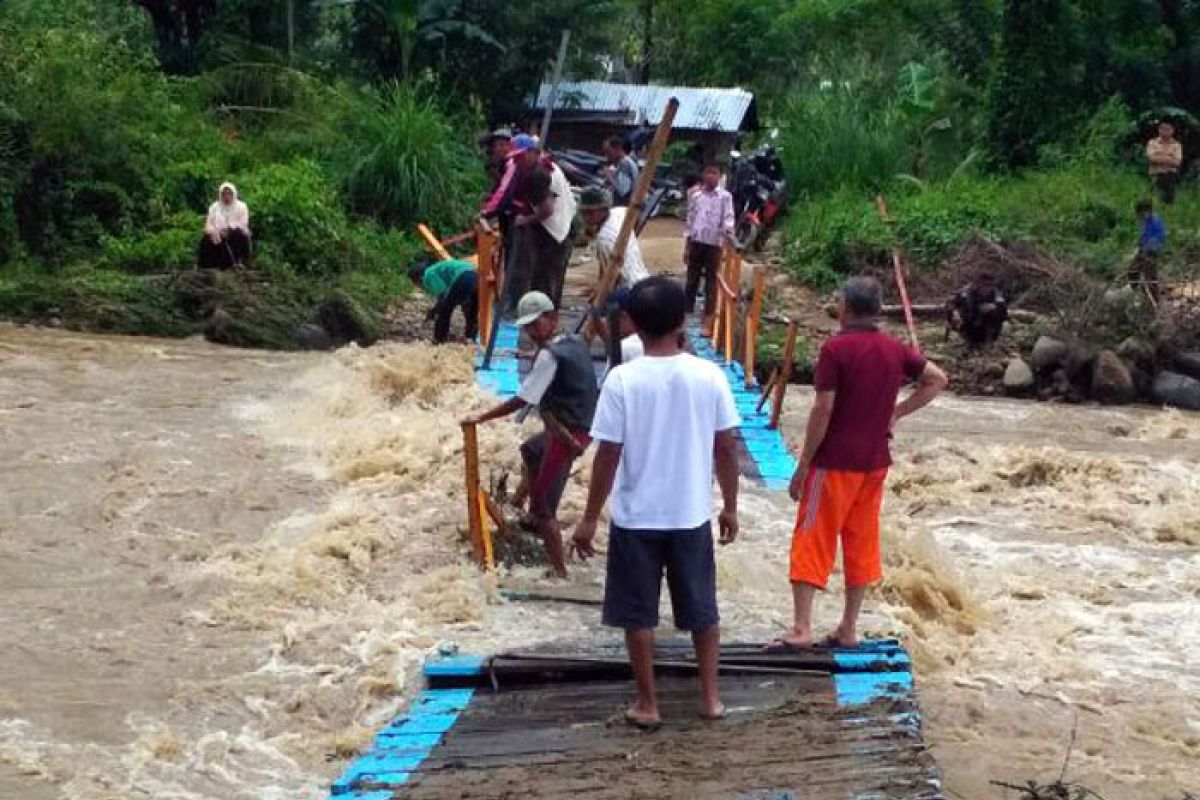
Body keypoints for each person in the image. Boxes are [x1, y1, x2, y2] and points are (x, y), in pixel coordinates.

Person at [572, 276, 741, 728]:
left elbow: (608, 454)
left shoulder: (622, 380)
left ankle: (648, 704)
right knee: (703, 610)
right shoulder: (709, 375)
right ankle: (711, 699)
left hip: (636, 517)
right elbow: (726, 446)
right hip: (690, 514)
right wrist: (730, 505)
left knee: (637, 613)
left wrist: (589, 518)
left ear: (632, 324)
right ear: (682, 322)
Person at [770, 277, 947, 651]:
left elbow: (823, 408)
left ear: (845, 308)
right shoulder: (894, 349)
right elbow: (936, 379)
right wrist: (896, 414)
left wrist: (803, 464)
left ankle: (801, 627)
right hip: (875, 463)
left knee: (811, 537)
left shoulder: (836, 350)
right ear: (878, 310)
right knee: (861, 541)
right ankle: (848, 627)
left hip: (833, 462)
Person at [462, 292, 598, 579]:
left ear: (552, 319)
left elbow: (523, 399)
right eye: (527, 327)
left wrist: (483, 417)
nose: (531, 332)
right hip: (584, 423)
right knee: (531, 450)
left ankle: (560, 570)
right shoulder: (573, 341)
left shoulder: (549, 355)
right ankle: (520, 505)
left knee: (546, 508)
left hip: (568, 434)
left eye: (536, 324)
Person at [684, 164, 735, 336]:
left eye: (714, 173)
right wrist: (687, 244)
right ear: (703, 174)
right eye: (707, 172)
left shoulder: (725, 197)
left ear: (720, 176)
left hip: (714, 243)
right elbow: (690, 219)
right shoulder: (696, 195)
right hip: (697, 241)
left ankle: (708, 320)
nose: (710, 176)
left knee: (711, 282)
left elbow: (729, 217)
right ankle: (685, 314)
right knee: (692, 278)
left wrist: (727, 232)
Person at [578, 187, 651, 294]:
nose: (586, 218)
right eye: (583, 213)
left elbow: (614, 277)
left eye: (590, 212)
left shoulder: (604, 238)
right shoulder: (618, 212)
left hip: (629, 288)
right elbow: (636, 216)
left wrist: (599, 293)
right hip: (643, 279)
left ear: (604, 210)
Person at [409, 257, 478, 344]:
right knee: (471, 309)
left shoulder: (428, 274)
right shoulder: (439, 269)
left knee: (445, 309)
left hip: (464, 275)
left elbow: (443, 296)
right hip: (477, 274)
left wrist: (434, 311)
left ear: (418, 279)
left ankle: (439, 338)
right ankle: (471, 337)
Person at [946, 271, 1008, 347]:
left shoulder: (997, 296)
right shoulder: (966, 292)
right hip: (968, 322)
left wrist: (994, 308)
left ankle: (988, 342)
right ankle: (966, 339)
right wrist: (955, 312)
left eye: (989, 285)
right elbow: (950, 302)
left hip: (985, 327)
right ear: (977, 284)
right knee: (954, 312)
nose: (985, 288)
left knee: (996, 314)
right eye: (983, 285)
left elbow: (1004, 314)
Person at [199, 182, 251, 269]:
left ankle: (239, 261)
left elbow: (243, 223)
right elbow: (208, 224)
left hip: (236, 232)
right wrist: (213, 231)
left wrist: (229, 229)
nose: (227, 196)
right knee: (206, 239)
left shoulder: (242, 206)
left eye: (229, 193)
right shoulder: (214, 207)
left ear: (234, 194)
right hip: (218, 233)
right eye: (224, 194)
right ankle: (209, 266)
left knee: (238, 234)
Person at [1130, 199, 1167, 303]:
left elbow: (1160, 238)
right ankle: (1138, 295)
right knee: (1132, 272)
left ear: (1148, 211)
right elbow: (1143, 235)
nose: (1141, 218)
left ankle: (1154, 302)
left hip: (1152, 253)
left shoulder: (1157, 222)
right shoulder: (1145, 221)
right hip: (1143, 251)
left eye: (1142, 215)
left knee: (1150, 278)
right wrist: (1139, 243)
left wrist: (1148, 247)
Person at [1146, 121, 1183, 205]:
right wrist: (1169, 158)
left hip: (1170, 176)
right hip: (1156, 174)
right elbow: (1151, 158)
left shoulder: (1177, 145)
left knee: (1169, 201)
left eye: (1168, 129)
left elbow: (1177, 162)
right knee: (1155, 198)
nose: (1165, 131)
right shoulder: (1152, 142)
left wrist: (1159, 157)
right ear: (1159, 130)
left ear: (1172, 131)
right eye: (1163, 129)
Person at [602, 135, 640, 207]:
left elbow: (623, 191)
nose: (606, 156)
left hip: (625, 208)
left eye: (608, 151)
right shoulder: (623, 163)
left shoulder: (625, 164)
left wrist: (609, 176)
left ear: (617, 149)